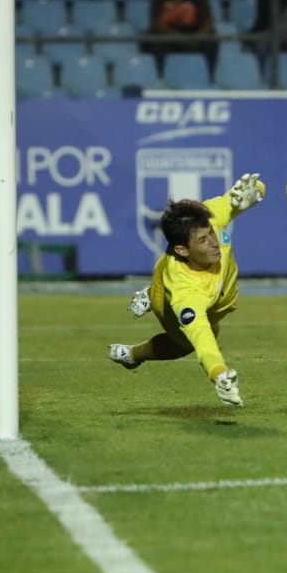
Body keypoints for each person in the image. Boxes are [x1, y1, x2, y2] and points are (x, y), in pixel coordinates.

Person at [108, 174, 266, 408]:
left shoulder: (208, 218)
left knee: (211, 324)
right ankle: (133, 354)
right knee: (186, 344)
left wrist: (255, 193)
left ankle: (149, 293)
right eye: (203, 240)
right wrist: (219, 373)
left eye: (211, 233)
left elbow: (248, 191)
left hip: (216, 297)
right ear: (182, 249)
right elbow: (203, 340)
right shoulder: (186, 296)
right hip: (170, 296)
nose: (213, 242)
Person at [147, 0, 218, 71]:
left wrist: (198, 36)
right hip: (169, 38)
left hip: (193, 38)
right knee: (156, 42)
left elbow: (208, 22)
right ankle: (159, 77)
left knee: (212, 42)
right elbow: (156, 23)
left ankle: (211, 76)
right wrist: (175, 36)